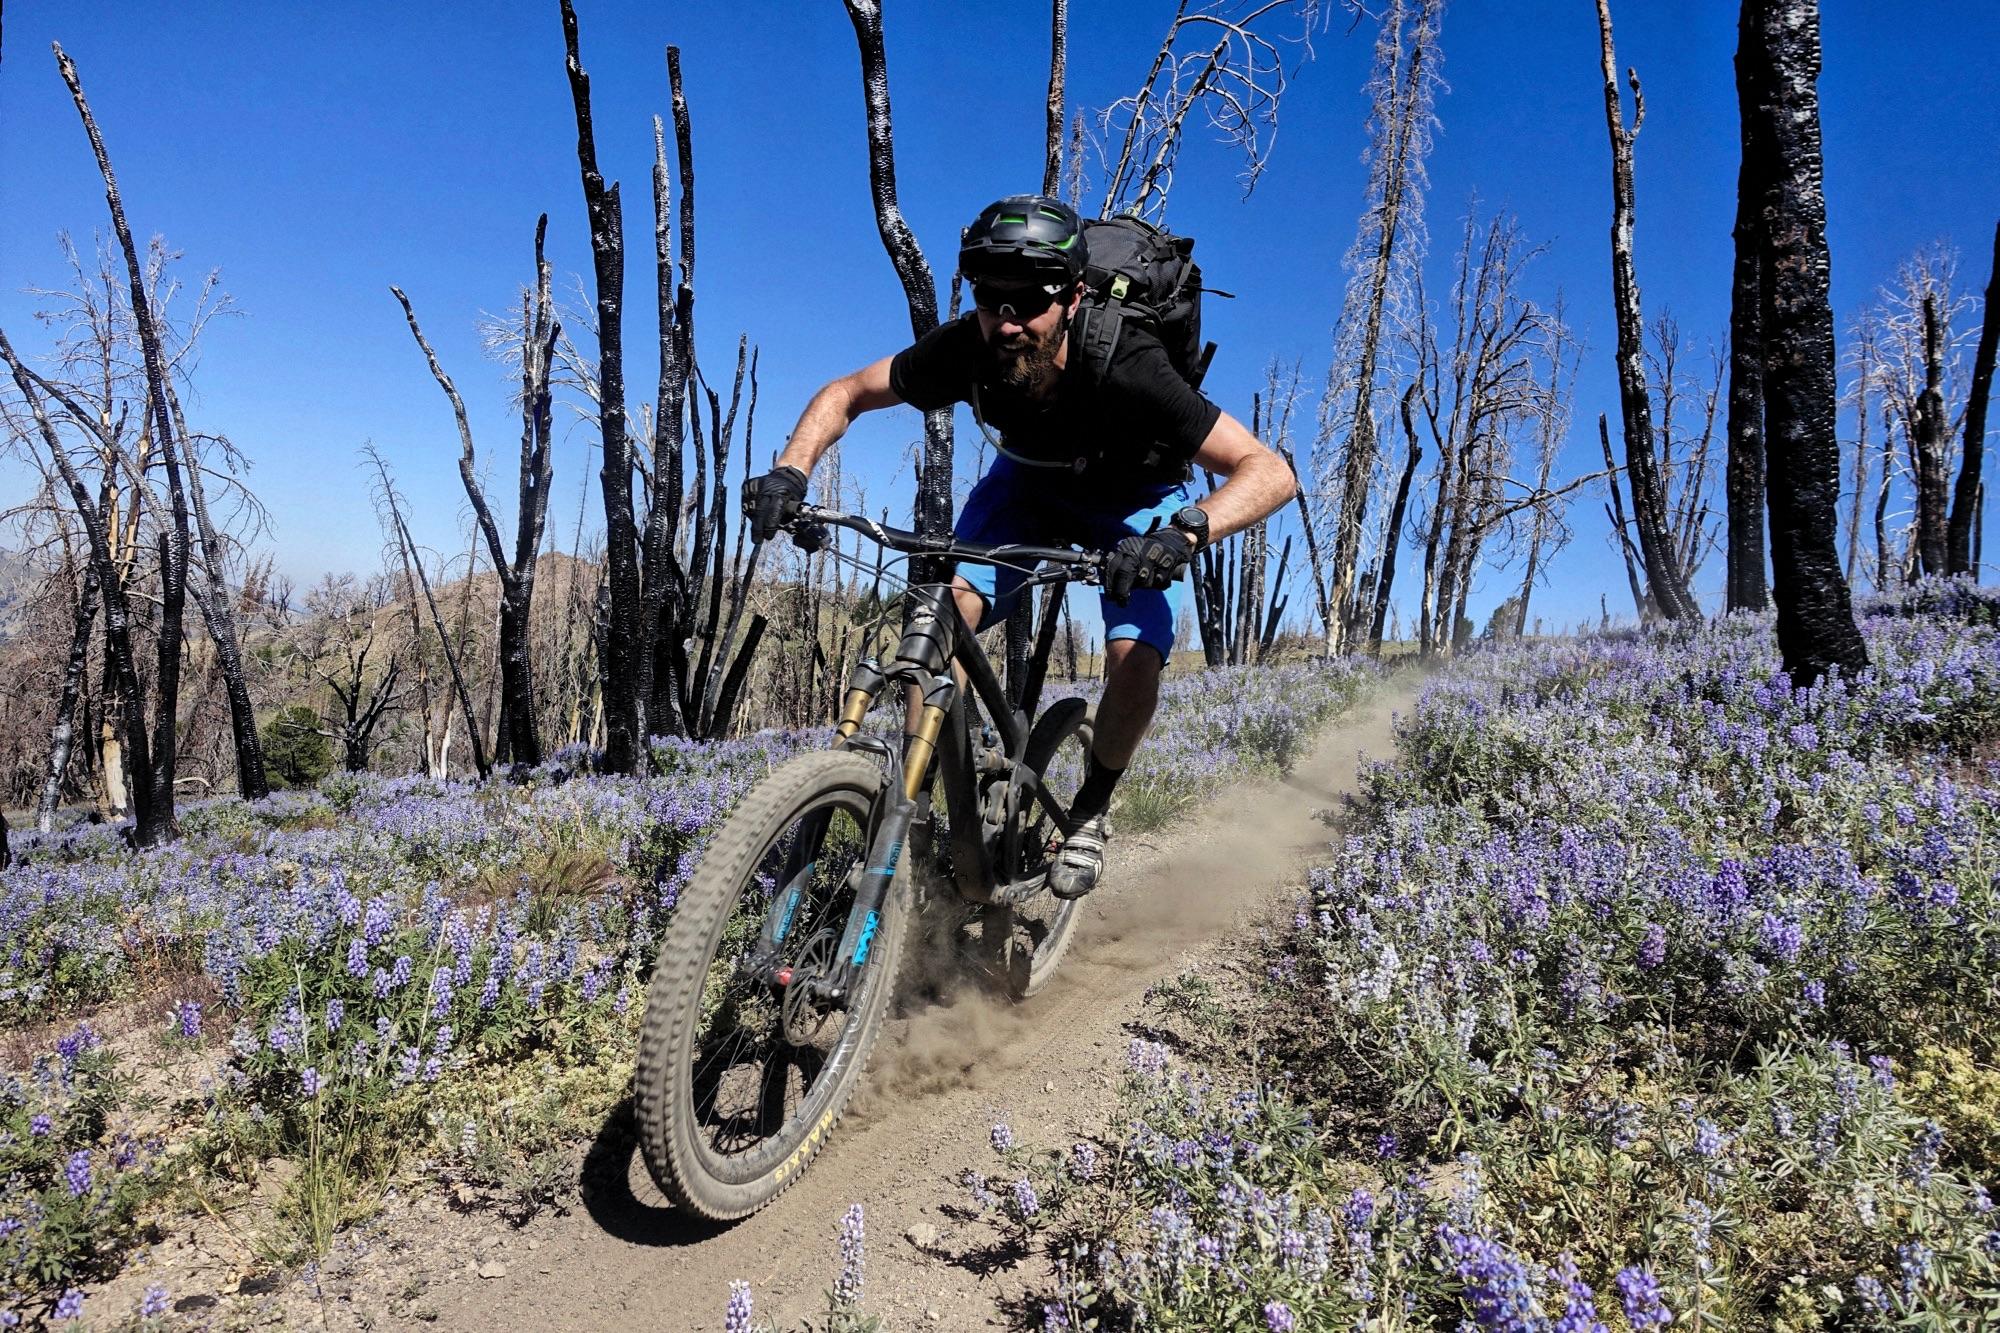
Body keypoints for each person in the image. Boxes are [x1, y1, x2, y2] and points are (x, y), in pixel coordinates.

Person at [744, 194, 1295, 899]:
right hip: (1028, 487)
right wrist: (792, 469)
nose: (1006, 322)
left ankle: (1091, 811)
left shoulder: (1127, 361)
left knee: (1134, 654)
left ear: (1068, 298)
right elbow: (849, 392)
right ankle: (916, 822)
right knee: (939, 619)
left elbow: (1270, 471)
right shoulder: (969, 346)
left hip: (1134, 500)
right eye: (988, 299)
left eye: (1028, 303)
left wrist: (1184, 533)